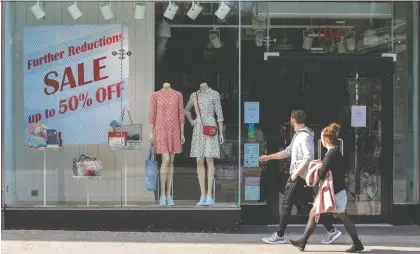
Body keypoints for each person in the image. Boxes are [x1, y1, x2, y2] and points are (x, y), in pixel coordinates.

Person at [260, 110, 342, 244]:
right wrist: (268, 157)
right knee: (310, 206)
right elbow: (287, 152)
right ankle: (331, 230)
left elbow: (308, 157)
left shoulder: (303, 137)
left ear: (292, 120)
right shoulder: (299, 135)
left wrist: (295, 174)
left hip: (298, 177)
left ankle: (279, 235)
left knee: (286, 204)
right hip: (301, 176)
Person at [289, 123, 364, 253]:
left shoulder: (331, 153)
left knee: (342, 216)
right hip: (336, 190)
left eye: (322, 138)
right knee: (315, 212)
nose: (321, 141)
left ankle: (357, 243)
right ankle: (303, 241)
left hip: (333, 192)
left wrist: (314, 173)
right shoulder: (336, 152)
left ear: (326, 139)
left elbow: (322, 173)